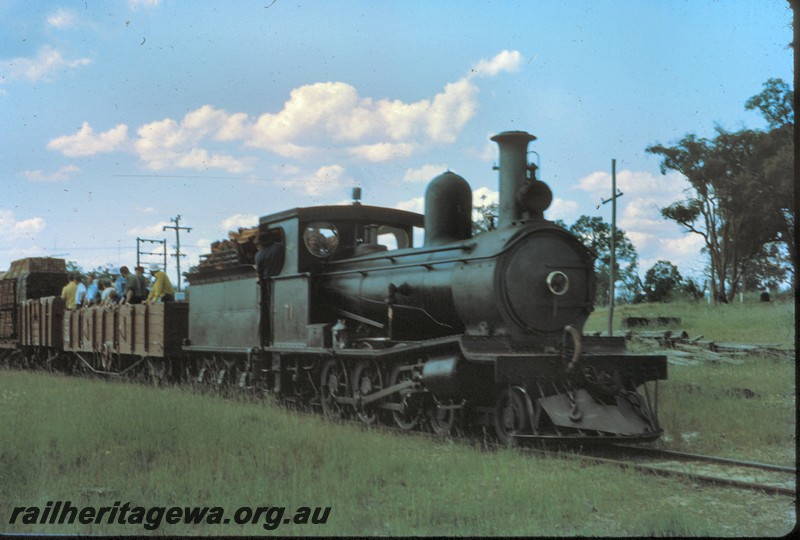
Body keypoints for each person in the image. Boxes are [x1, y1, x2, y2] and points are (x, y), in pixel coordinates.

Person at [255, 231, 285, 344]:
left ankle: (269, 336)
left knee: (268, 309)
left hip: (269, 283)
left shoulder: (259, 255)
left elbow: (259, 272)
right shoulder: (281, 246)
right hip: (284, 279)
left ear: (260, 244)